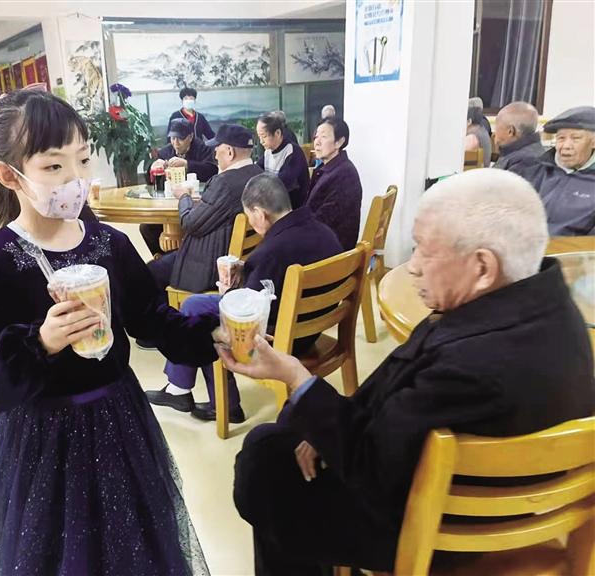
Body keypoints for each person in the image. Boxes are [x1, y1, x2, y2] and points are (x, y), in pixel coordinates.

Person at [223, 169, 595, 575]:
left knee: (264, 467)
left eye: (423, 250)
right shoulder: (555, 312)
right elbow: (399, 399)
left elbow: (372, 466)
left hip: (437, 526)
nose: (412, 266)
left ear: (482, 267)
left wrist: (296, 377)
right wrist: (325, 421)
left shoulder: (468, 366)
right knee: (288, 437)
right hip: (513, 506)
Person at [0, 86, 219, 574]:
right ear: (10, 175)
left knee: (134, 547)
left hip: (120, 421)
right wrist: (37, 344)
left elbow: (151, 318)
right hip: (41, 440)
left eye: (82, 160)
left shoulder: (110, 243)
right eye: (53, 166)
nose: (75, 179)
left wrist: (210, 334)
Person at [147, 174, 342, 423]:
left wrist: (228, 291)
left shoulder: (272, 251)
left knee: (197, 311)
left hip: (282, 338)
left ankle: (220, 404)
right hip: (313, 326)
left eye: (250, 216)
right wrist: (248, 269)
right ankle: (179, 387)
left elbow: (245, 312)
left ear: (259, 214)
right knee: (195, 305)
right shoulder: (324, 232)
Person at [147, 123, 263, 296]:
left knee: (149, 271)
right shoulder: (259, 174)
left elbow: (190, 223)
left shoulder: (224, 183)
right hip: (236, 260)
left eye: (217, 148)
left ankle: (170, 311)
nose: (214, 154)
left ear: (230, 152)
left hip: (208, 266)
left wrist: (184, 196)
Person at [141, 118, 217, 256]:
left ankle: (183, 258)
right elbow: (150, 183)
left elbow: (212, 170)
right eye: (173, 138)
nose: (175, 143)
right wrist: (153, 169)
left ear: (190, 137)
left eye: (180, 139)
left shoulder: (203, 149)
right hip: (169, 203)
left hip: (195, 205)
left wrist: (187, 164)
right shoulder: (165, 152)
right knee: (147, 228)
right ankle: (163, 257)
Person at [516, 106, 595, 236]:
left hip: (567, 248)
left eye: (575, 138)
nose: (566, 146)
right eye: (561, 138)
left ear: (593, 143)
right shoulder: (534, 171)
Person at [306, 117, 362, 251]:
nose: (317, 142)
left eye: (324, 137)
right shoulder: (329, 168)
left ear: (339, 142)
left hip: (332, 249)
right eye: (316, 137)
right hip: (323, 239)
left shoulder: (345, 175)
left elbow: (324, 220)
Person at [255, 112, 310, 209]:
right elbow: (256, 170)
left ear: (277, 133)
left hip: (293, 208)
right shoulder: (268, 151)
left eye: (264, 136)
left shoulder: (292, 151)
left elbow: (284, 182)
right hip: (274, 205)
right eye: (259, 137)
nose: (261, 141)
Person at [493, 101, 544, 173]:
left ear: (510, 131)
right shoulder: (534, 151)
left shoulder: (523, 163)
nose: (494, 134)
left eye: (496, 128)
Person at [465, 103, 492, 167]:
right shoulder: (482, 131)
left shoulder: (472, 136)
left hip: (475, 170)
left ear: (469, 121)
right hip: (483, 168)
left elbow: (460, 156)